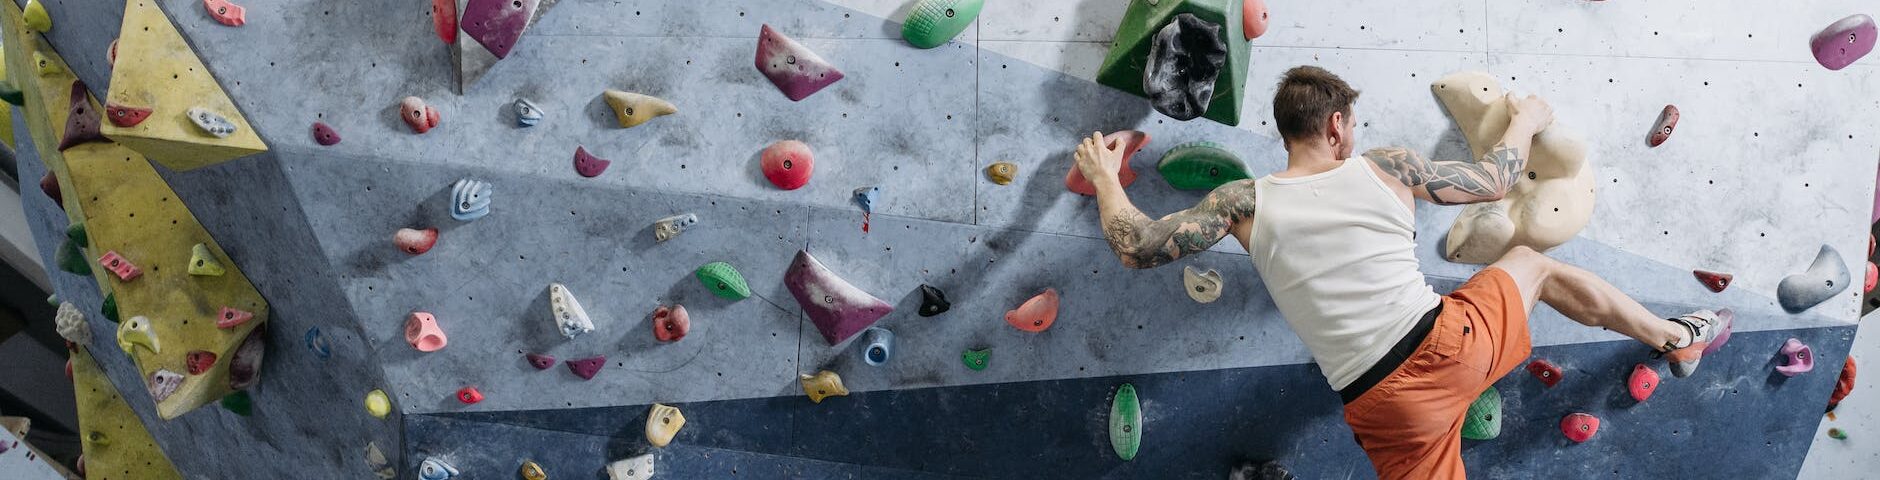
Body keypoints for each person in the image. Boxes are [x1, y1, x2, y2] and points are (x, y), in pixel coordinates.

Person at [1071, 65, 1730, 479]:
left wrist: (1104, 177)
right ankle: (1675, 338)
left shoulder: (1242, 202)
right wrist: (1526, 118)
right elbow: (1497, 179)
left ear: (1286, 135)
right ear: (1337, 125)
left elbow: (1137, 245)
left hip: (1382, 407)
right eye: (1350, 124)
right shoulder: (1385, 166)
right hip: (1448, 345)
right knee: (1531, 264)